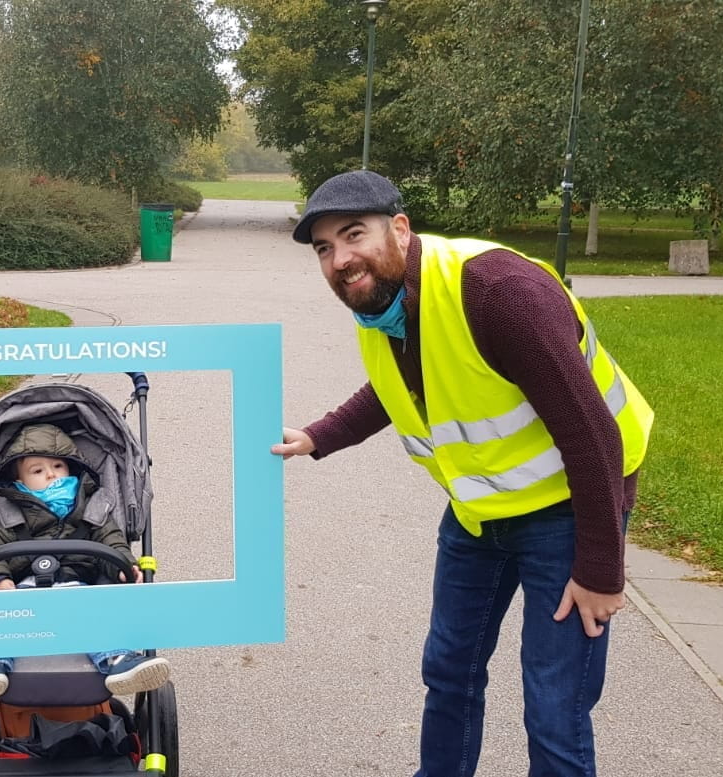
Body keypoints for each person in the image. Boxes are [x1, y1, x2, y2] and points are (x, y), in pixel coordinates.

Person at [270, 170, 654, 777]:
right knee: (450, 671)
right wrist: (322, 435)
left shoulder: (498, 291)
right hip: (480, 513)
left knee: (555, 705)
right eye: (325, 248)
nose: (341, 259)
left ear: (399, 228)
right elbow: (399, 386)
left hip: (567, 512)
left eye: (353, 235)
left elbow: (592, 434)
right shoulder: (385, 304)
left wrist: (602, 570)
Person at [0, 423, 170, 702]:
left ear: (71, 467)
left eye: (58, 465)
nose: (51, 473)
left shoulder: (93, 506)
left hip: (77, 588)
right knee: (4, 618)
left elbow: (111, 540)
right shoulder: (9, 513)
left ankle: (118, 659)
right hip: (25, 592)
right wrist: (0, 580)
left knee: (95, 615)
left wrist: (123, 566)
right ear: (19, 483)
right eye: (37, 470)